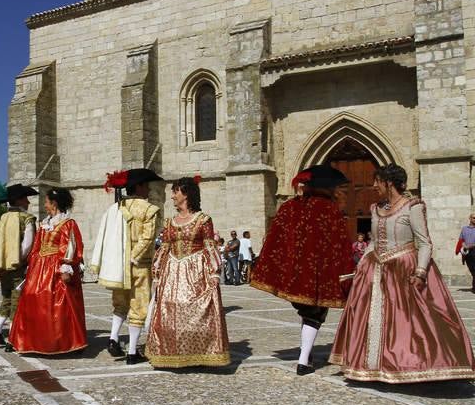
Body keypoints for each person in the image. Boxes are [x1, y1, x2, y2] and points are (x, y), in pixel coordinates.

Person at [330, 164, 475, 383]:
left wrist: (420, 272)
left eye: (377, 181)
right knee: (369, 319)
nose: (374, 185)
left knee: (412, 322)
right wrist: (361, 267)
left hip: (404, 269)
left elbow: (425, 243)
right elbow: (374, 243)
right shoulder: (374, 208)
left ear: (389, 182)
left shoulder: (413, 207)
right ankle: (372, 367)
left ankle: (411, 365)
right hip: (375, 269)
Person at [250, 165, 354, 375]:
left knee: (308, 313)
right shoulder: (328, 208)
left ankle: (305, 354)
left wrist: (274, 267)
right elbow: (339, 242)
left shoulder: (288, 207)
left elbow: (275, 239)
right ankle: (303, 359)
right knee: (314, 315)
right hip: (318, 274)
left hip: (293, 274)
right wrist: (345, 268)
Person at [147, 177, 230, 368]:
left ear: (186, 194)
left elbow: (210, 246)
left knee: (196, 311)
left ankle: (200, 353)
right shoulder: (169, 222)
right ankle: (171, 353)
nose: (173, 196)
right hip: (173, 270)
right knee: (171, 310)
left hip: (196, 271)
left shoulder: (203, 220)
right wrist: (157, 273)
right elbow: (164, 248)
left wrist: (214, 272)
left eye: (176, 191)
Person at [91, 168, 162, 364]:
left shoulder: (115, 207)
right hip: (139, 265)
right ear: (138, 187)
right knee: (139, 307)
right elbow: (148, 238)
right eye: (146, 185)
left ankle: (113, 337)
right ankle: (131, 352)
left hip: (118, 266)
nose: (148, 189)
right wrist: (134, 257)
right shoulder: (149, 210)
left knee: (120, 303)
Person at [8, 188, 87, 355]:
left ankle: (63, 342)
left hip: (57, 267)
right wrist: (31, 265)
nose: (44, 204)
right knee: (32, 298)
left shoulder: (68, 223)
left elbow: (71, 246)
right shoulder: (44, 223)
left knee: (60, 303)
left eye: (46, 201)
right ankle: (31, 340)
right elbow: (37, 246)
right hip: (40, 267)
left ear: (54, 203)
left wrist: (66, 266)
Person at [0, 183, 38, 347]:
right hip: (18, 265)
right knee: (17, 299)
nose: (28, 201)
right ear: (19, 200)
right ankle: (12, 336)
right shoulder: (27, 219)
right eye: (25, 198)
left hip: (2, 265)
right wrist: (20, 260)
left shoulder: (1, 219)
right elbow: (27, 244)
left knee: (6, 297)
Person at [458, 213, 475, 293]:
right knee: (472, 269)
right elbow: (461, 240)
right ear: (470, 218)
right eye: (474, 218)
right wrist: (464, 245)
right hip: (467, 253)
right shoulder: (464, 229)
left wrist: (470, 246)